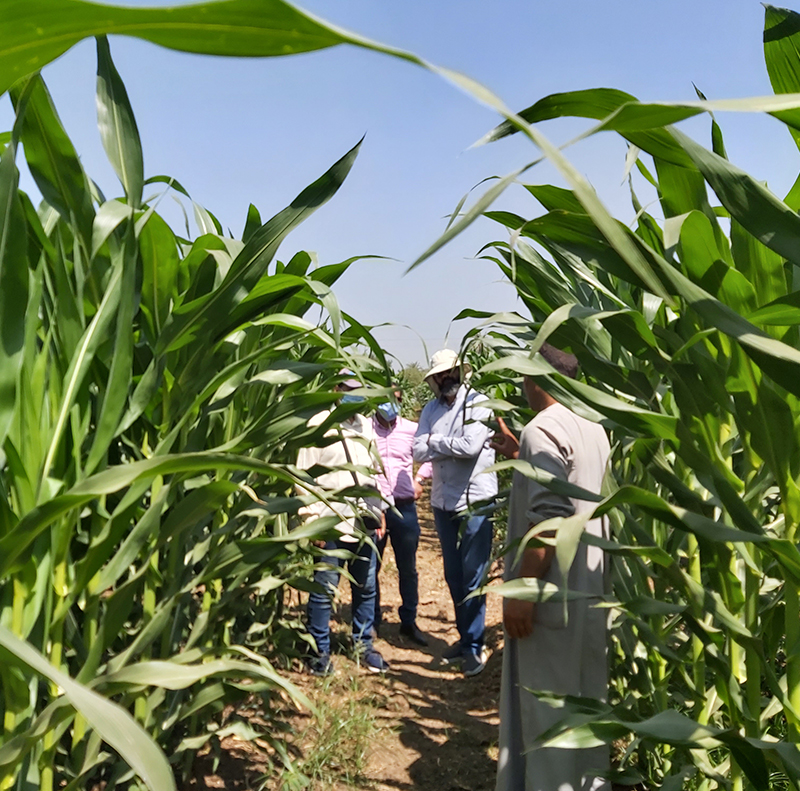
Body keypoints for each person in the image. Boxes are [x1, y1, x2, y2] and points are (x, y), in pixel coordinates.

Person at [492, 343, 611, 791]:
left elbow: (549, 519)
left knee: (547, 712)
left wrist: (523, 591)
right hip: (590, 590)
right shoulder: (592, 426)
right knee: (585, 705)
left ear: (533, 378)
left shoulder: (542, 429)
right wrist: (517, 449)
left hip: (550, 596)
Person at [297, 372, 390, 676]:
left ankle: (363, 645)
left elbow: (372, 473)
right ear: (334, 390)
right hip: (330, 521)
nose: (352, 395)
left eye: (357, 390)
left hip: (363, 520)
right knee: (324, 590)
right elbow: (303, 478)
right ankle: (319, 651)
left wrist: (379, 510)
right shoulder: (318, 424)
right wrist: (312, 521)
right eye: (347, 389)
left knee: (365, 587)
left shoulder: (364, 426)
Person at [412, 349, 498, 677]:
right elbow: (417, 450)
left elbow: (470, 448)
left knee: (473, 574)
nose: (445, 379)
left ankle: (475, 646)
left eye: (450, 373)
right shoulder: (431, 409)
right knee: (453, 574)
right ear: (433, 380)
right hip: (442, 501)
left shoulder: (477, 402)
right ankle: (464, 638)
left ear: (461, 373)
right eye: (440, 375)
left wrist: (434, 440)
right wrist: (442, 441)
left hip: (475, 499)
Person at [372, 386, 432, 646]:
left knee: (407, 567)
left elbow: (431, 455)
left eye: (394, 399)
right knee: (370, 566)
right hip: (373, 508)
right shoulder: (364, 429)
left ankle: (409, 621)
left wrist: (420, 479)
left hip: (404, 507)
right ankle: (371, 621)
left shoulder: (411, 428)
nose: (389, 405)